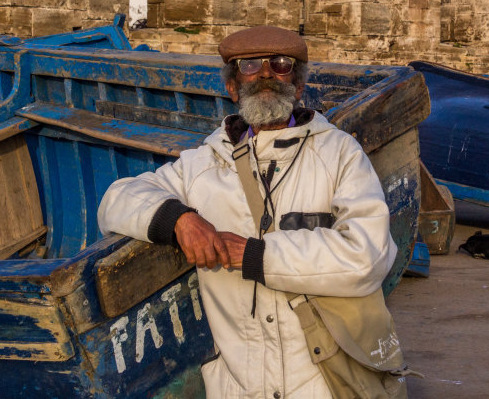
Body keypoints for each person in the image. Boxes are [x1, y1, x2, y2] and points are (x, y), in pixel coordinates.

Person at [98, 26, 398, 398]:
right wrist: (179, 219)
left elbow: (369, 256)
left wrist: (256, 256)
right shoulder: (202, 164)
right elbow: (116, 199)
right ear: (233, 86)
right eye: (250, 65)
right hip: (239, 386)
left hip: (324, 381)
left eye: (281, 64)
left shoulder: (339, 153)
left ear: (299, 86)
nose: (267, 74)